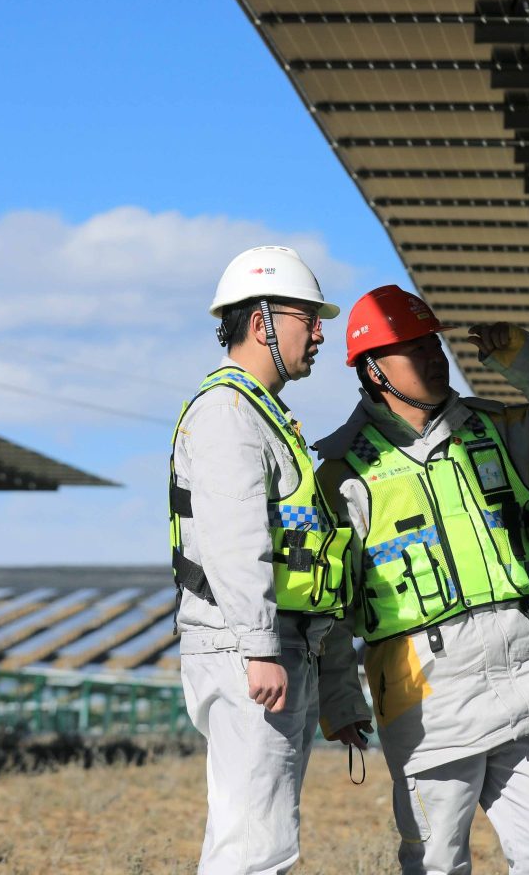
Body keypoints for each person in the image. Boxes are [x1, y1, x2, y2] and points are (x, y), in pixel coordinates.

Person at [313, 284, 529, 875]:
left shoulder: (496, 431)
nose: (433, 358)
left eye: (433, 345)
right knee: (436, 861)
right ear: (373, 371)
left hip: (527, 676)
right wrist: (339, 699)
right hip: (429, 699)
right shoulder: (342, 475)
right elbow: (328, 605)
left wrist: (523, 357)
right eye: (412, 351)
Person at [168, 245, 372, 875]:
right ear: (261, 323)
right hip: (245, 648)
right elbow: (235, 543)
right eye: (307, 318)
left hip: (268, 644)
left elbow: (313, 565)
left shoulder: (260, 412)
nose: (319, 334)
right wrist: (259, 648)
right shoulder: (230, 415)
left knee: (257, 831)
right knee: (256, 844)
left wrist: (335, 693)